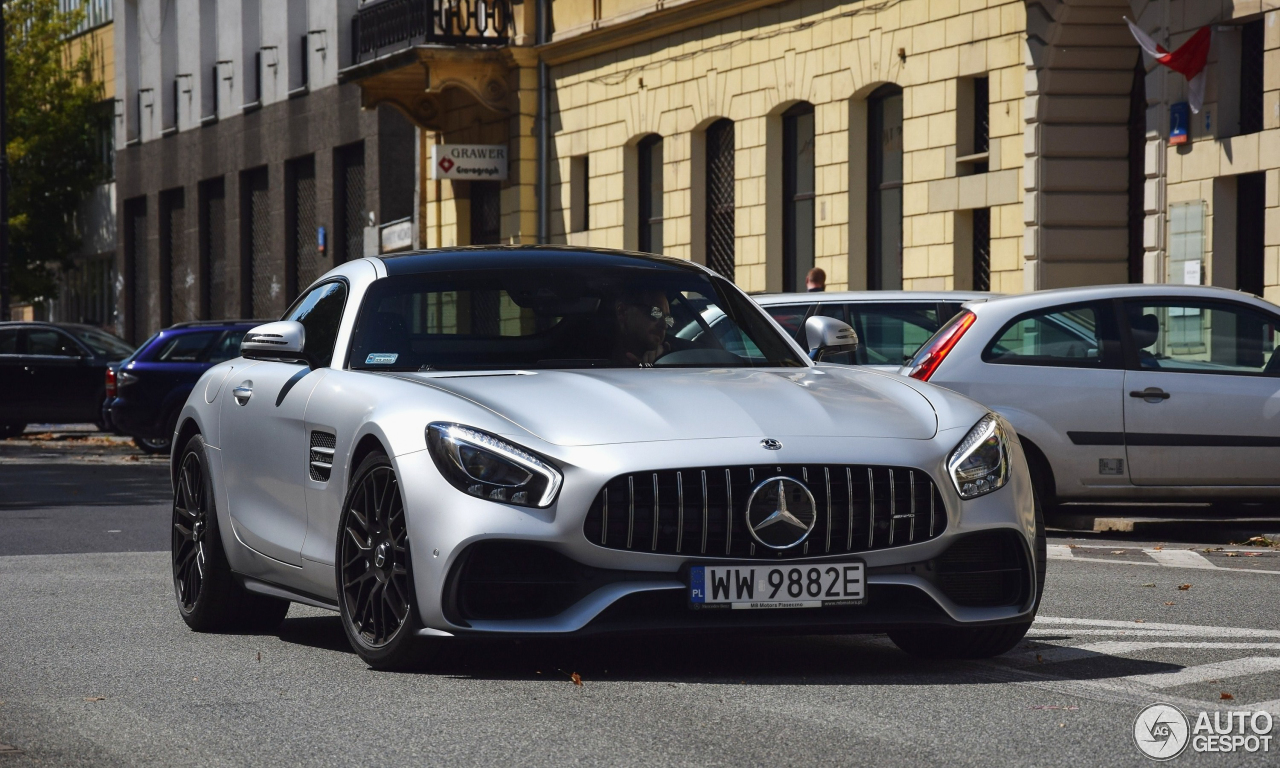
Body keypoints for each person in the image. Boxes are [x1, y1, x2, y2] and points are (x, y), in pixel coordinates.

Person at [611, 290, 673, 366]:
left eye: (667, 318)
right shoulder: (597, 358)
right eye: (655, 312)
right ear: (622, 312)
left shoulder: (672, 357)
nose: (665, 325)